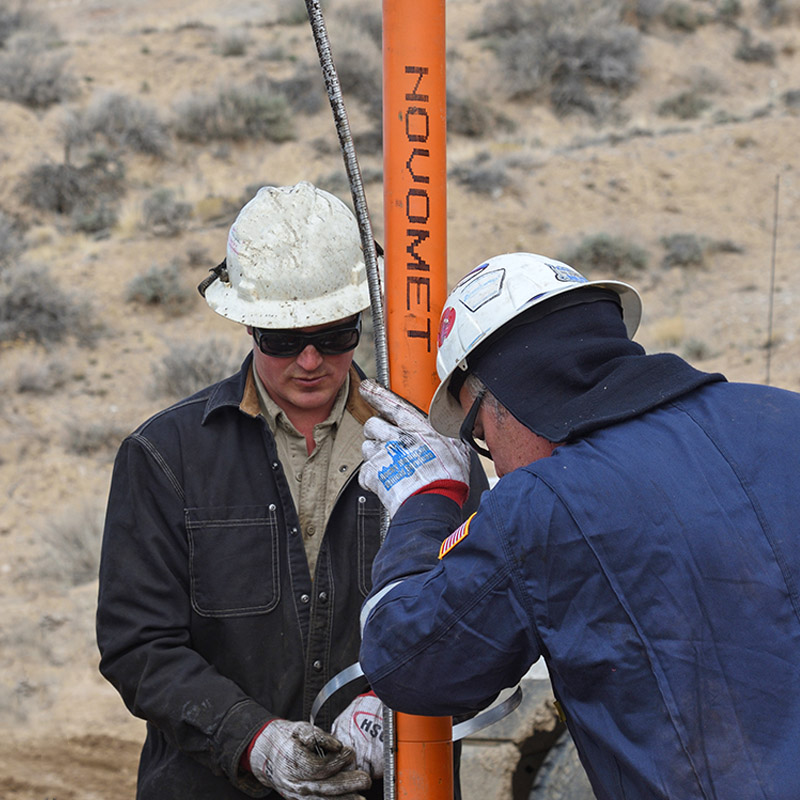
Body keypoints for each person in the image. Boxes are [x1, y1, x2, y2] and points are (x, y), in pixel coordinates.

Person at [357, 252, 800, 800]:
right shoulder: (785, 418)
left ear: (508, 401)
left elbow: (410, 660)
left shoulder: (544, 504)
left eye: (475, 432)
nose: (489, 458)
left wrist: (426, 500)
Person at [96, 181, 488, 800]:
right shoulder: (165, 457)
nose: (310, 361)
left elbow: (486, 611)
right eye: (283, 340)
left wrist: (390, 707)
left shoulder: (434, 456)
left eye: (334, 335)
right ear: (248, 325)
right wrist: (256, 741)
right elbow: (137, 646)